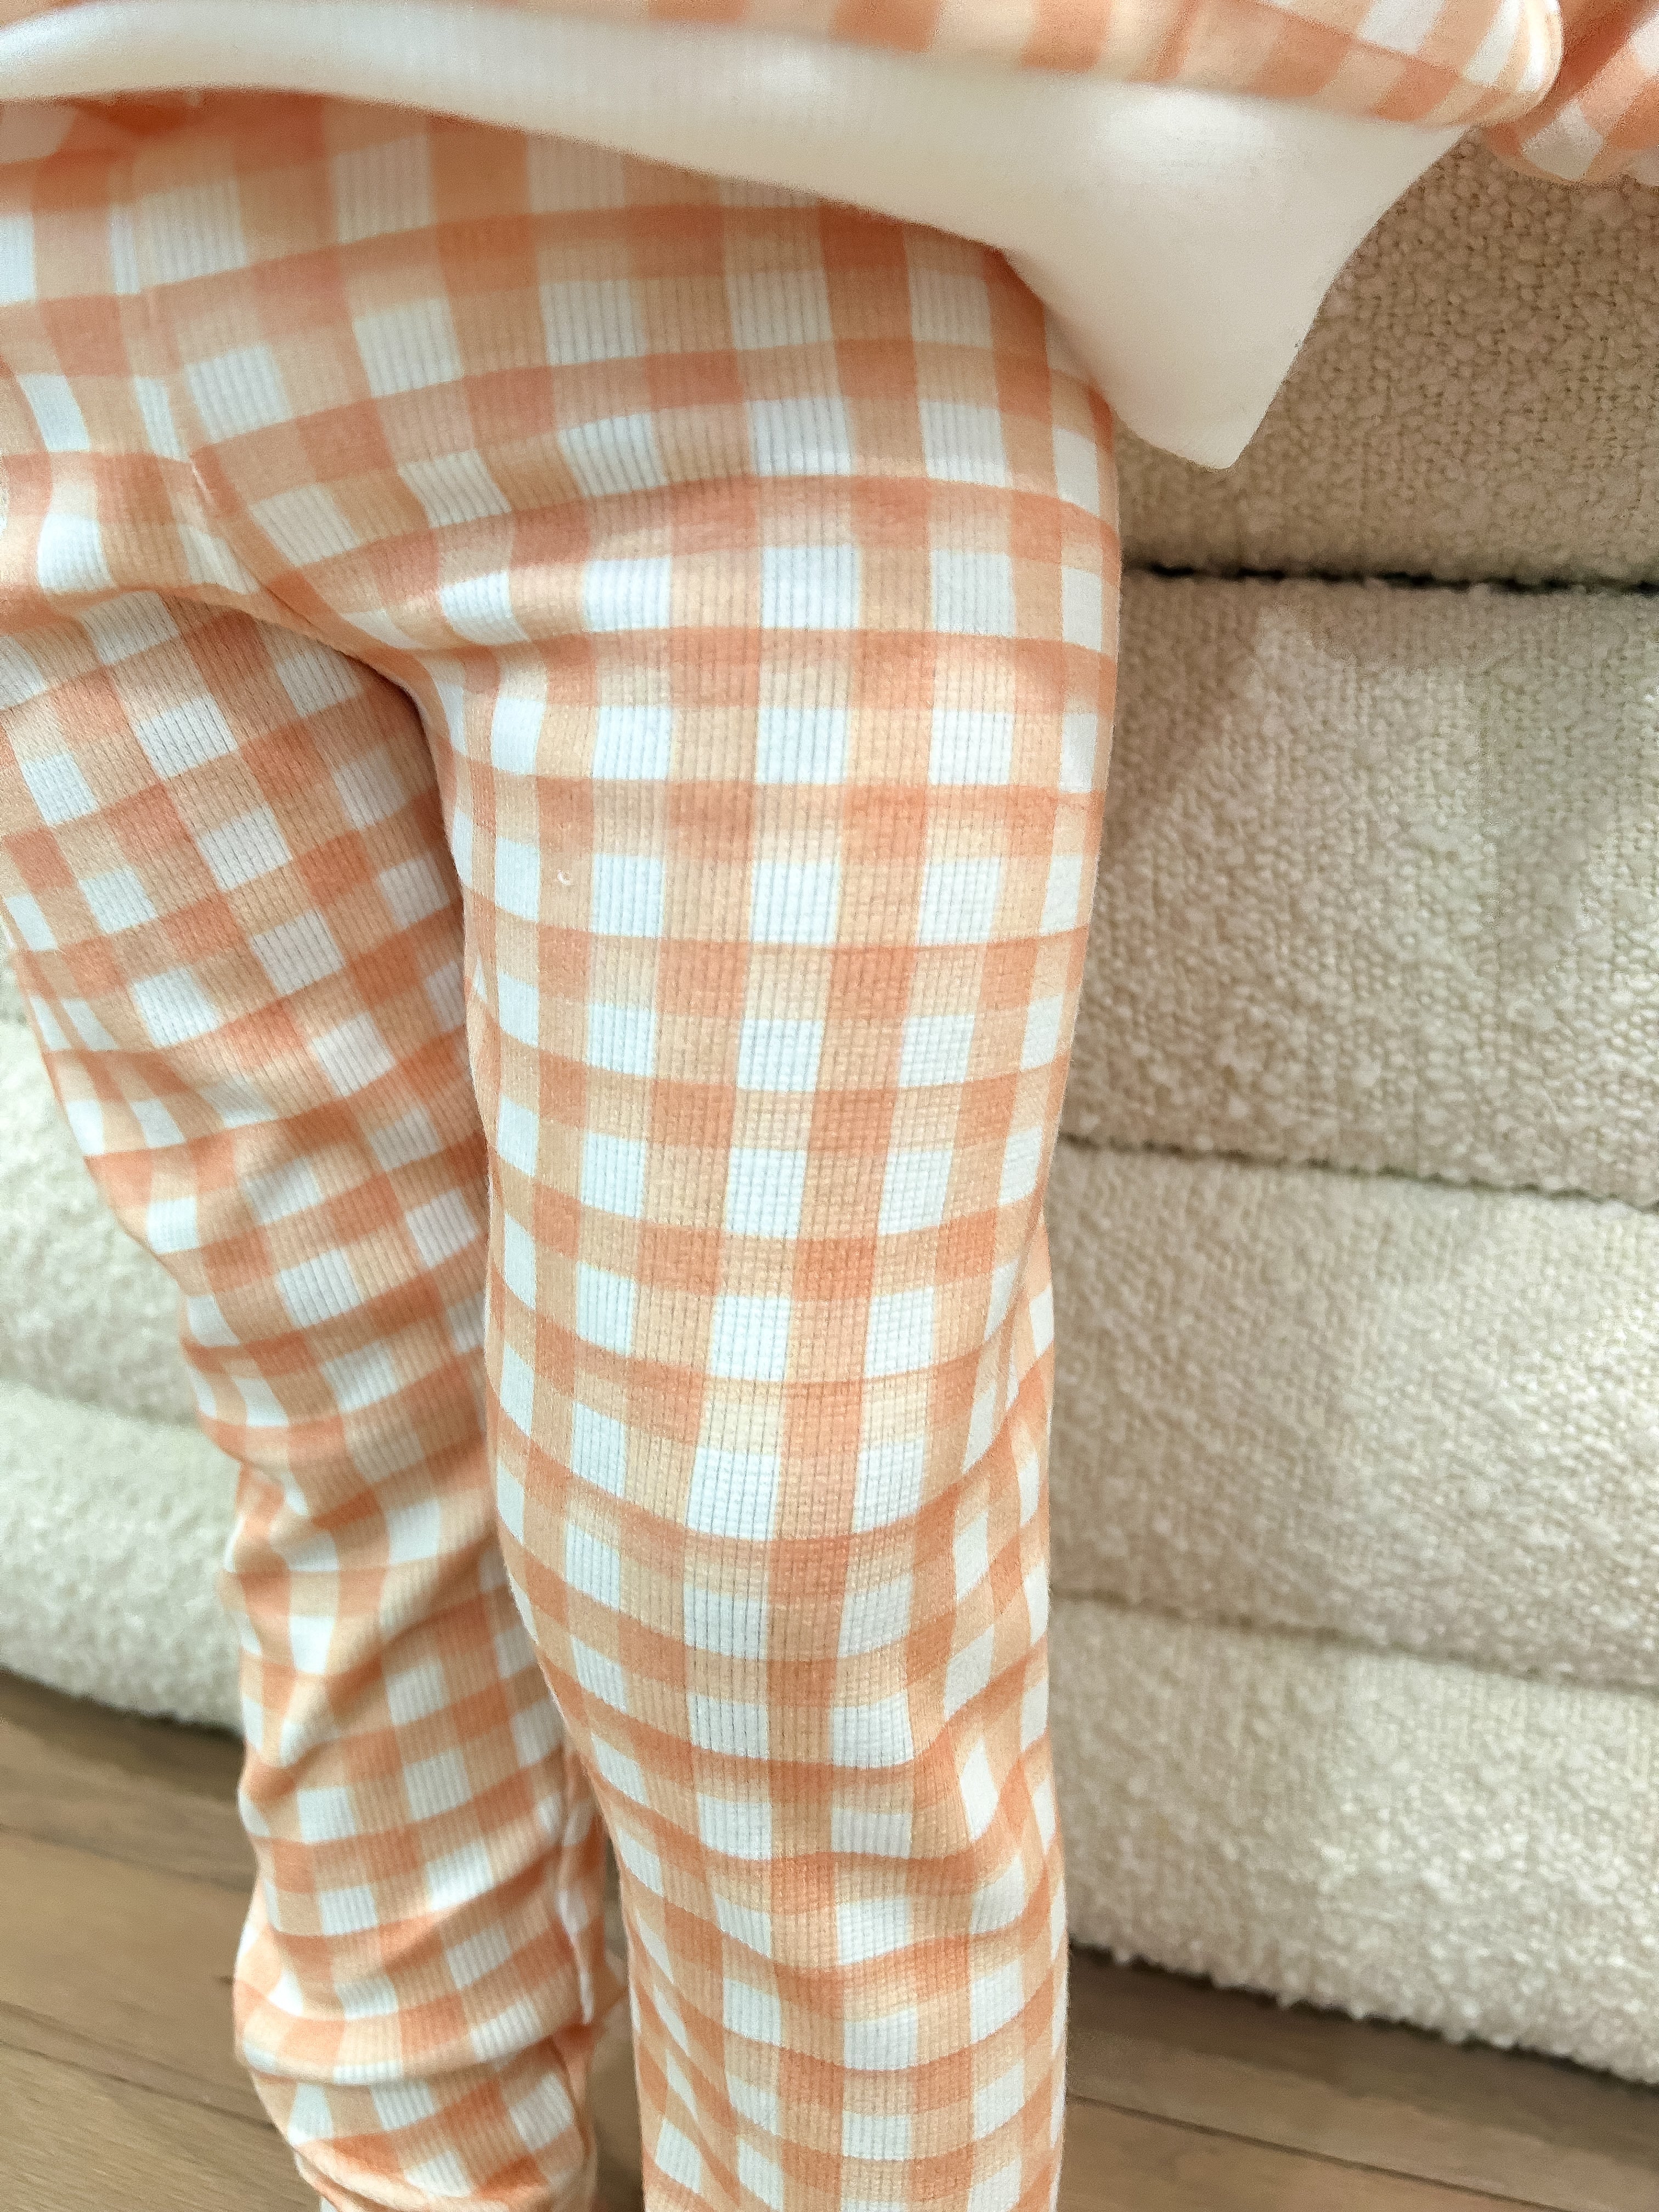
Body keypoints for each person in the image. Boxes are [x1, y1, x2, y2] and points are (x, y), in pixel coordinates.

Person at [0, 9, 1651, 2210]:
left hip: (757, 268)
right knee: (341, 1417)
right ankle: (398, 2167)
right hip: (43, 315)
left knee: (768, 1568)